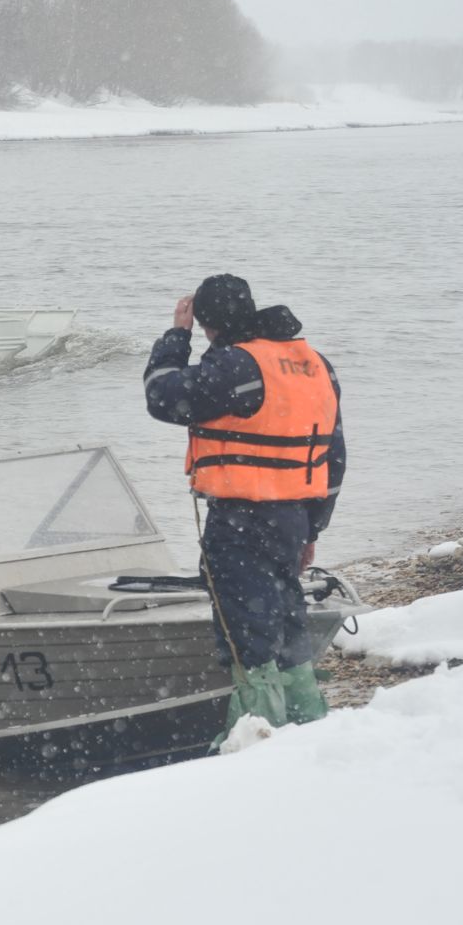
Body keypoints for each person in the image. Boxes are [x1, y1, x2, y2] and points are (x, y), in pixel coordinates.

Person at [144, 273, 346, 740]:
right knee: (286, 613)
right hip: (293, 515)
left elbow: (163, 396)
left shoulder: (238, 365)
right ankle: (307, 719)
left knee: (245, 632)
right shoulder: (315, 364)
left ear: (206, 321)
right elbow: (333, 455)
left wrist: (177, 336)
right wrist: (313, 530)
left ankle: (258, 735)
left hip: (241, 517)